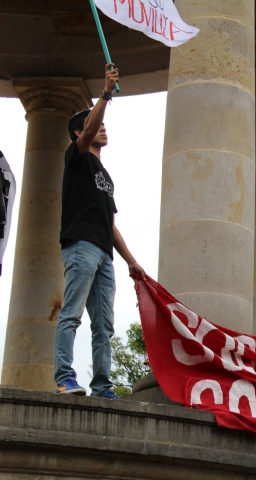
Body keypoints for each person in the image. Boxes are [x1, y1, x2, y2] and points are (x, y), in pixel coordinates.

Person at [54, 64, 145, 399]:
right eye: (95, 126)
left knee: (103, 325)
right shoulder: (76, 158)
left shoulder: (104, 175)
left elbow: (110, 223)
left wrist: (131, 261)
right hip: (80, 247)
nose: (102, 129)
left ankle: (102, 387)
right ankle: (65, 378)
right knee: (72, 314)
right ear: (80, 133)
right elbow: (89, 128)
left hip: (104, 254)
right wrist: (105, 94)